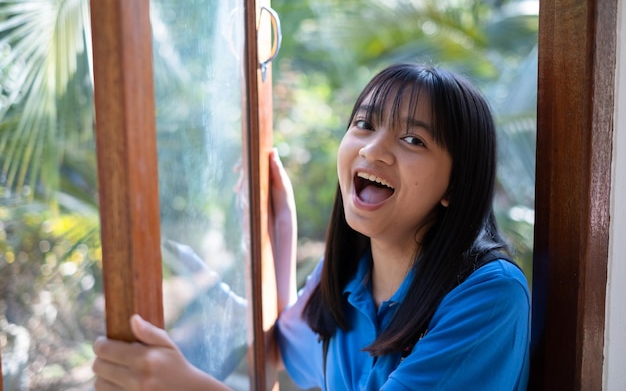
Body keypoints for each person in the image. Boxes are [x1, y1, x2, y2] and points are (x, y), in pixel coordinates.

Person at [92, 63, 530, 391]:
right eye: (365, 124)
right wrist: (277, 230)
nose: (374, 150)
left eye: (413, 139)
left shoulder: (489, 295)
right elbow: (281, 348)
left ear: (455, 184)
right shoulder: (349, 276)